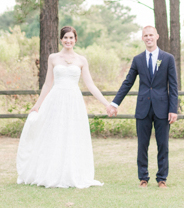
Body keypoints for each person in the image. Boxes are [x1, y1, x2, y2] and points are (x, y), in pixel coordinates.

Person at [16, 26, 115, 188]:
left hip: (74, 101)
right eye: (65, 38)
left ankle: (70, 173)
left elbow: (90, 85)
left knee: (72, 134)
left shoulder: (82, 60)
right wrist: (37, 105)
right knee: (54, 134)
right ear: (61, 39)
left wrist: (106, 103)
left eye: (71, 38)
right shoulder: (53, 58)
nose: (68, 41)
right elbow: (48, 84)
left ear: (75, 40)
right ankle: (51, 172)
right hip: (56, 100)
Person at [109, 25, 179, 188]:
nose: (148, 38)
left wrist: (173, 109)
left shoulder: (167, 58)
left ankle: (162, 179)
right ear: (142, 38)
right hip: (143, 108)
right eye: (145, 35)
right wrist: (114, 103)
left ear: (157, 36)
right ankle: (143, 178)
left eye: (151, 35)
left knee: (163, 145)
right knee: (142, 145)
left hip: (163, 108)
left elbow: (173, 86)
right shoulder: (138, 59)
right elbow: (128, 82)